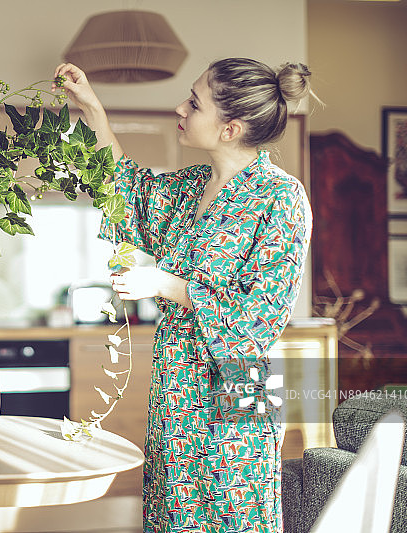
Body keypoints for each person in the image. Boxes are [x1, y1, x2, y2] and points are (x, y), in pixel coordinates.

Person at [54, 58, 314, 532]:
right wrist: (92, 109)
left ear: (230, 128)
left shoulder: (281, 198)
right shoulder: (190, 188)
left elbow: (260, 320)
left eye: (194, 102)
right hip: (174, 399)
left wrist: (166, 285)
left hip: (233, 404)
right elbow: (128, 191)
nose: (180, 107)